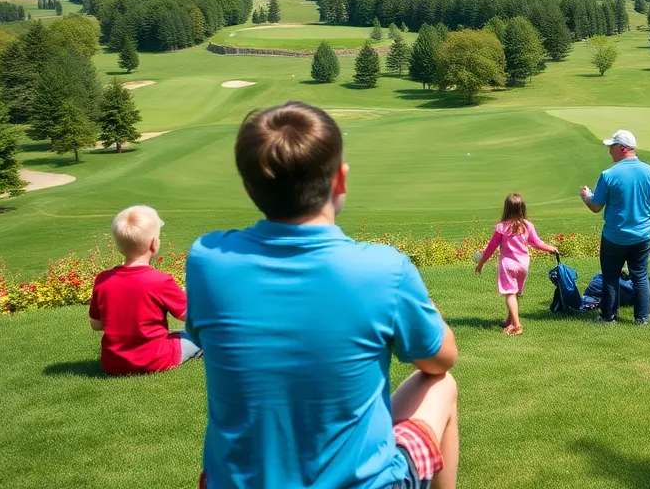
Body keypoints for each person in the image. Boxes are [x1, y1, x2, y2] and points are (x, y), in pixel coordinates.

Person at [185, 101, 460, 489]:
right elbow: (441, 359)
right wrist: (425, 308)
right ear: (340, 180)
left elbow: (202, 337)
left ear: (249, 187)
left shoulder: (207, 260)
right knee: (442, 385)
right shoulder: (384, 271)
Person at [579, 129, 650, 325]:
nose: (609, 151)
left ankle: (608, 317)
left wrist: (586, 196)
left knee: (611, 276)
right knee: (640, 276)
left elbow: (596, 206)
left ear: (622, 148)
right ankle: (642, 318)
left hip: (614, 235)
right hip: (642, 236)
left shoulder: (608, 175)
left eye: (611, 147)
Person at [88, 205, 201, 376]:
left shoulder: (103, 280)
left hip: (113, 364)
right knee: (193, 336)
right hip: (155, 359)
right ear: (154, 244)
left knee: (176, 335)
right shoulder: (160, 280)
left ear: (119, 247)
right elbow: (191, 315)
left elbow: (96, 324)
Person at [475, 193, 558, 335]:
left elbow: (490, 248)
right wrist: (550, 248)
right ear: (522, 208)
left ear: (506, 209)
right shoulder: (528, 226)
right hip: (523, 265)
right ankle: (509, 321)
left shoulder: (501, 227)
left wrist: (481, 263)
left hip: (508, 265)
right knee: (515, 293)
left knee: (510, 294)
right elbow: (536, 243)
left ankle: (517, 325)